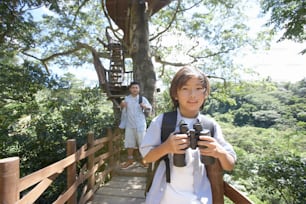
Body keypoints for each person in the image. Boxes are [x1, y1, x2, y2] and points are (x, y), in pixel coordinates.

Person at [140, 66, 236, 204]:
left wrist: (219, 152)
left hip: (200, 199)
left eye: (198, 88)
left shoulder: (210, 125)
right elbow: (145, 159)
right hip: (163, 198)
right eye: (185, 88)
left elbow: (229, 165)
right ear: (175, 94)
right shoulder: (162, 122)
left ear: (205, 93)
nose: (192, 95)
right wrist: (167, 147)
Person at [120, 81, 152, 169]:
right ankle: (130, 160)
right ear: (130, 89)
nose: (134, 89)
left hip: (140, 125)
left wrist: (145, 106)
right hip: (129, 125)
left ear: (139, 89)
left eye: (136, 88)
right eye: (133, 88)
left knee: (142, 143)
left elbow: (150, 108)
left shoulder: (142, 99)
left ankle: (144, 160)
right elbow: (122, 107)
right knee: (129, 143)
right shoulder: (127, 99)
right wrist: (122, 105)